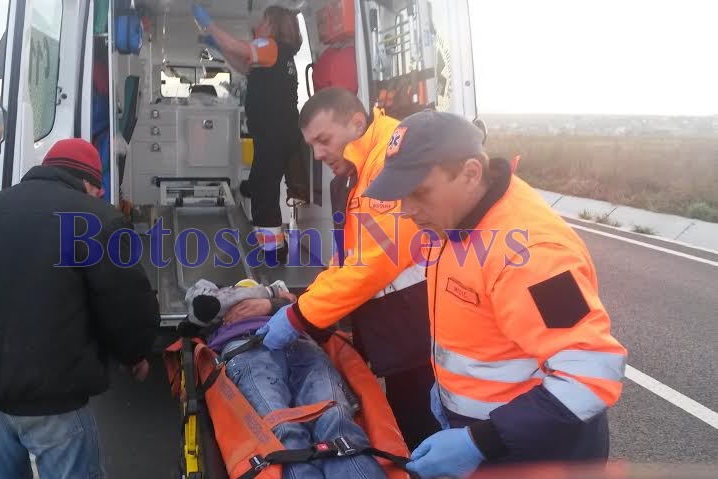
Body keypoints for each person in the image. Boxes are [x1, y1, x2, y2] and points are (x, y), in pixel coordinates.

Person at [360, 110, 628, 478]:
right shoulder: (456, 219)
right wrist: (447, 393)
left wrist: (481, 441)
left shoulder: (531, 253)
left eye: (419, 193)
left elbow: (591, 373)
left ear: (471, 173)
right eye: (400, 195)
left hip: (536, 454)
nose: (406, 211)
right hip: (492, 438)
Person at [0, 138, 160, 478]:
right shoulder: (97, 219)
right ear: (91, 184)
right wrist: (134, 353)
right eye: (98, 191)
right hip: (56, 401)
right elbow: (125, 302)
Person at [235, 88, 440, 449]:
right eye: (311, 145)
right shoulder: (352, 176)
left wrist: (298, 317)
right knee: (402, 421)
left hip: (422, 328)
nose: (317, 154)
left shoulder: (392, 163)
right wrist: (296, 303)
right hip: (398, 327)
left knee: (419, 426)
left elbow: (373, 264)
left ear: (357, 124)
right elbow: (345, 262)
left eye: (324, 140)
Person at [186, 280, 387, 479]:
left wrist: (269, 304)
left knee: (334, 415)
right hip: (246, 346)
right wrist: (272, 294)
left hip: (300, 342)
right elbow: (203, 305)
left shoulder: (277, 291)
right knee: (280, 425)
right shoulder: (215, 290)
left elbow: (306, 307)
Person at [192, 4, 304, 259]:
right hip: (276, 134)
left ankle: (273, 250)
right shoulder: (277, 55)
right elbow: (244, 67)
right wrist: (219, 47)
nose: (258, 25)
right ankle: (256, 204)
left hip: (275, 135)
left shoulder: (271, 47)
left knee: (265, 193)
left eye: (263, 21)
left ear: (273, 26)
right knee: (259, 183)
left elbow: (236, 46)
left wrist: (208, 24)